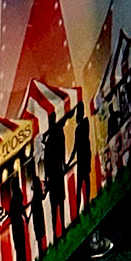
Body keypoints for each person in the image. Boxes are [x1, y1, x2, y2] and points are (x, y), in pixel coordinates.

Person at [43, 109, 67, 241]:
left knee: (56, 205)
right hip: (56, 173)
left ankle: (58, 232)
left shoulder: (51, 138)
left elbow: (47, 161)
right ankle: (60, 230)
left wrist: (47, 177)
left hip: (55, 174)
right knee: (59, 204)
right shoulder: (57, 135)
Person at [71, 102, 92, 222]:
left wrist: (69, 162)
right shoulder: (85, 124)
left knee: (80, 185)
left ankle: (80, 210)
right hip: (84, 156)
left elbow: (75, 147)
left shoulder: (81, 127)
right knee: (85, 181)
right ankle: (86, 205)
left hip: (82, 158)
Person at [7, 172, 28, 261]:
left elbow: (20, 208)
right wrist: (26, 217)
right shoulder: (17, 196)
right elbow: (21, 208)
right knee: (21, 246)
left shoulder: (14, 198)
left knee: (18, 247)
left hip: (16, 224)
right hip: (18, 223)